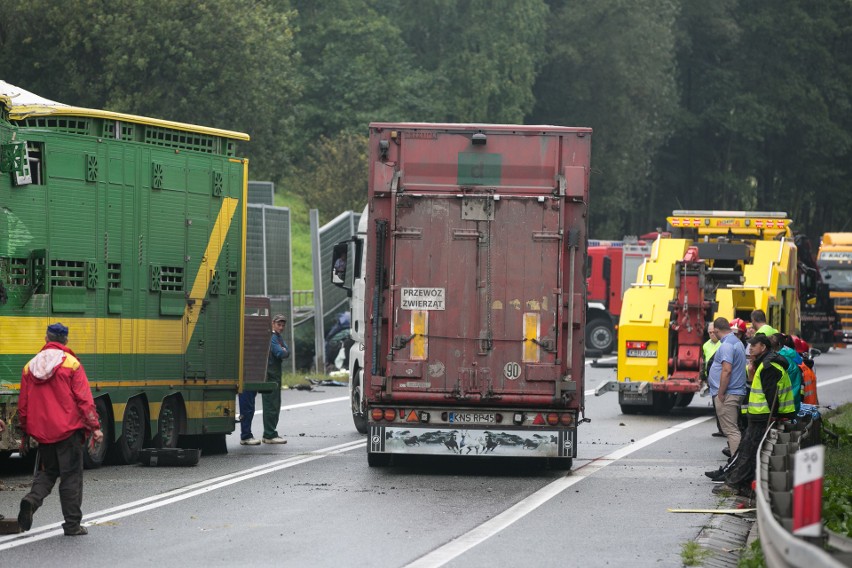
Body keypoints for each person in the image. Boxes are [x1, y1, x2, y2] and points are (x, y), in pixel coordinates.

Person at [17, 323, 103, 536]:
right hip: (68, 432)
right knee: (71, 476)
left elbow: (23, 406)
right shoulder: (72, 364)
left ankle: (31, 500)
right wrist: (95, 427)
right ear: (65, 340)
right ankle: (72, 525)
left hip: (43, 434)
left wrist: (25, 434)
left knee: (47, 473)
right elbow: (84, 399)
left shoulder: (30, 366)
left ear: (47, 339)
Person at [713, 333, 795, 497]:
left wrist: (773, 417)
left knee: (750, 452)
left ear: (763, 347)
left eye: (753, 345)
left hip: (764, 416)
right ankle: (744, 484)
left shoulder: (768, 366)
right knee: (749, 451)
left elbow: (772, 395)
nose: (749, 348)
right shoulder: (764, 363)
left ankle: (734, 485)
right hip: (760, 415)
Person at [239, 315, 289, 445]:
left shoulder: (271, 337)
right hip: (260, 375)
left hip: (258, 374)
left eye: (283, 325)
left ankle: (251, 435)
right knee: (264, 405)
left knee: (253, 406)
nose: (281, 327)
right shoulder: (271, 337)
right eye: (279, 324)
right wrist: (283, 350)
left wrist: (284, 350)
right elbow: (280, 352)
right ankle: (264, 434)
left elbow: (285, 351)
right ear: (272, 323)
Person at [707, 318, 747, 457]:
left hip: (729, 393)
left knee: (731, 430)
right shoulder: (737, 342)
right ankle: (737, 462)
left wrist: (721, 393)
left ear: (717, 330)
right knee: (732, 429)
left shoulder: (726, 345)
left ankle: (736, 464)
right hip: (735, 391)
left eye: (714, 332)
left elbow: (727, 370)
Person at [700, 323, 724, 437]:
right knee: (715, 404)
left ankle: (725, 429)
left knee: (722, 405)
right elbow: (704, 362)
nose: (711, 334)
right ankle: (720, 429)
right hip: (711, 378)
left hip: (720, 377)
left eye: (713, 332)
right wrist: (703, 376)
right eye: (709, 333)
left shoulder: (723, 343)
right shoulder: (705, 345)